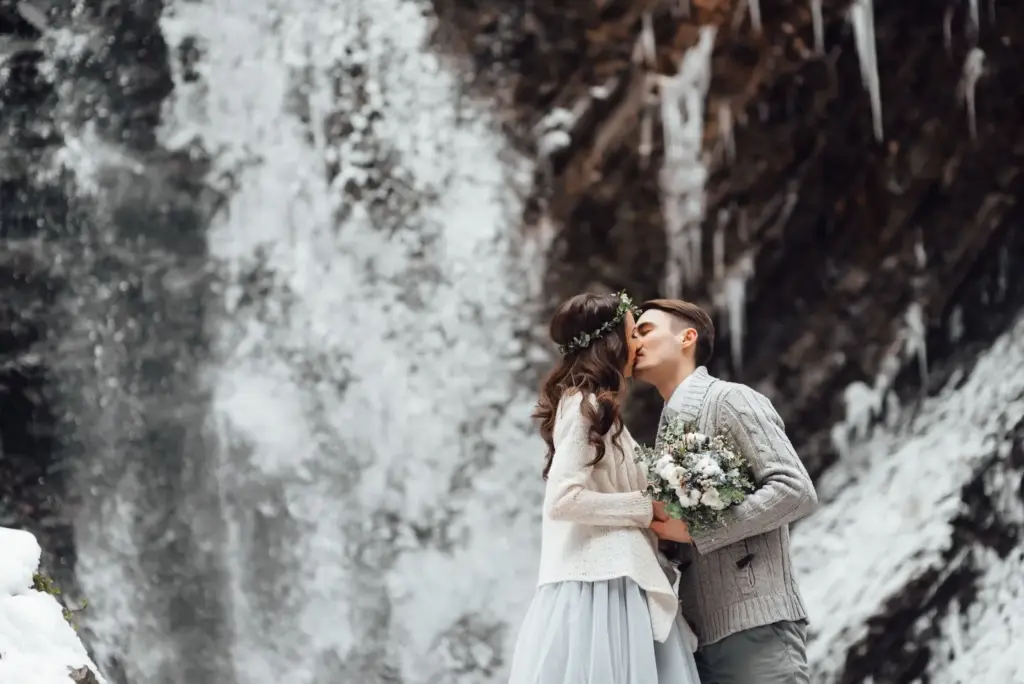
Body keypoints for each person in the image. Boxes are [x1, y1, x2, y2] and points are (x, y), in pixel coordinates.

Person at [507, 292, 701, 684]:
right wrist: (646, 507)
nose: (638, 344)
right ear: (611, 343)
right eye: (633, 334)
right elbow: (563, 499)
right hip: (601, 586)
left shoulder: (603, 412)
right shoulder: (584, 406)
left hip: (619, 576)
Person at [633, 298, 818, 684]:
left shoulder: (731, 399)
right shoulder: (667, 429)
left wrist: (697, 531)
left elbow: (795, 490)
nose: (634, 342)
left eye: (645, 330)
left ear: (687, 338)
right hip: (699, 635)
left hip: (756, 623)